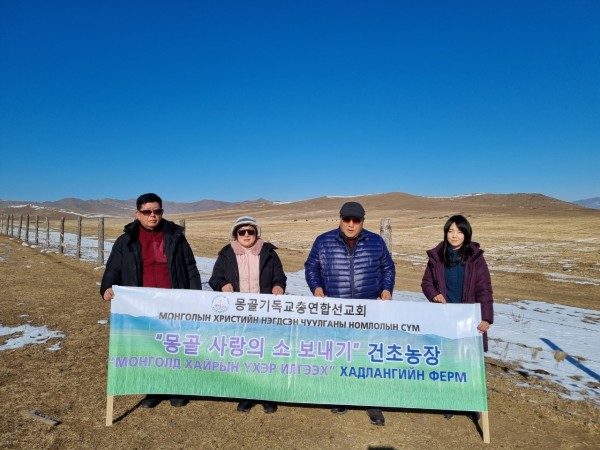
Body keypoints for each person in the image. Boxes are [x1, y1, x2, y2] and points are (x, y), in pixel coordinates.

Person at [100, 192, 202, 409]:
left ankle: (177, 388)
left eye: (157, 211)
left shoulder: (175, 236)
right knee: (149, 346)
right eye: (147, 212)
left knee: (174, 344)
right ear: (138, 214)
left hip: (173, 301)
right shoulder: (126, 240)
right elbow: (113, 268)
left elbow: (190, 267)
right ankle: (153, 389)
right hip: (142, 304)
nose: (152, 215)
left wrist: (196, 296)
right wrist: (107, 287)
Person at [304, 201, 395, 426]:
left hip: (369, 310)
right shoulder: (323, 241)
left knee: (368, 355)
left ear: (363, 221)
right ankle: (341, 395)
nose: (351, 224)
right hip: (337, 310)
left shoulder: (376, 241)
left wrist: (387, 288)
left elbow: (388, 267)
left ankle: (372, 401)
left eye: (356, 220)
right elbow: (311, 266)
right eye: (347, 219)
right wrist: (316, 287)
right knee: (340, 353)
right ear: (340, 219)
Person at [209, 216, 287, 414]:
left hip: (265, 312)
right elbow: (215, 278)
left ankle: (266, 394)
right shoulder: (226, 254)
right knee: (243, 353)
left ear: (256, 233)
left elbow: (280, 276)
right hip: (238, 314)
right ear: (235, 234)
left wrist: (279, 285)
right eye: (241, 231)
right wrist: (222, 284)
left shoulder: (269, 253)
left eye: (250, 231)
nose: (246, 235)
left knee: (265, 353)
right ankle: (245, 394)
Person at [420, 214, 494, 421]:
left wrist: (486, 318)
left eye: (459, 232)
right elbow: (426, 283)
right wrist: (434, 295)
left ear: (466, 234)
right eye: (450, 231)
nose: (454, 236)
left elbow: (484, 289)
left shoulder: (475, 258)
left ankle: (470, 402)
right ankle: (449, 401)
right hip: (444, 317)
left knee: (468, 361)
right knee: (448, 361)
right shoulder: (437, 256)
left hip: (469, 319)